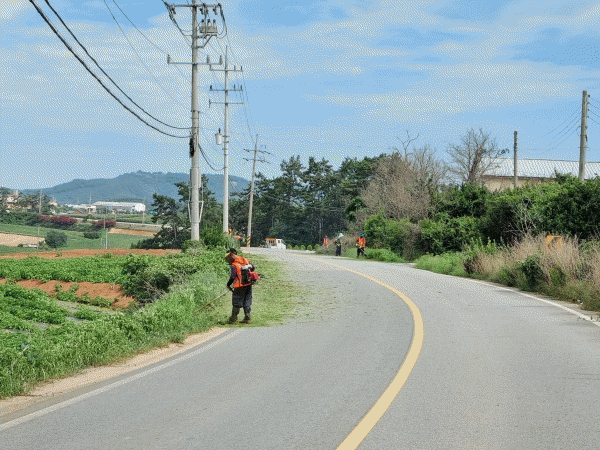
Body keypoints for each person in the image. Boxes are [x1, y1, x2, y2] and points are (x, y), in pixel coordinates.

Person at [225, 248, 254, 324]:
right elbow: (253, 268)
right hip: (248, 284)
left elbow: (232, 277)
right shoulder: (245, 260)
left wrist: (228, 284)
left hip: (239, 286)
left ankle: (233, 319)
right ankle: (247, 318)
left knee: (236, 302)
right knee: (247, 301)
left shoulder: (234, 265)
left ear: (231, 255)